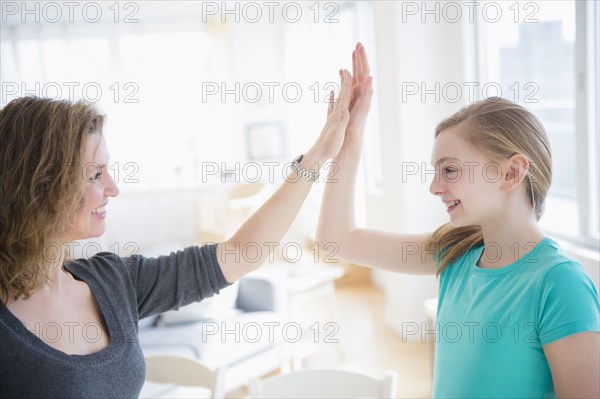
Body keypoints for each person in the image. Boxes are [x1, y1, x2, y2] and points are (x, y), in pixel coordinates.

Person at [0, 61, 354, 396]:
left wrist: (317, 157)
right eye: (95, 174)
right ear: (42, 186)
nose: (113, 188)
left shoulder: (112, 280)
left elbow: (240, 254)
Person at [316, 43, 599, 397]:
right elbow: (334, 240)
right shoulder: (455, 253)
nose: (435, 187)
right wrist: (349, 138)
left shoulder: (559, 283)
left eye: (449, 170)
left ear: (511, 173)